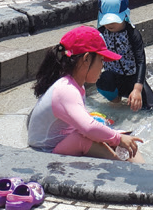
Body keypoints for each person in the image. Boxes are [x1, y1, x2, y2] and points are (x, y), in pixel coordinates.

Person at [27, 26, 144, 161]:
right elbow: (88, 129)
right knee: (88, 138)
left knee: (118, 139)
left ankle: (141, 172)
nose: (103, 66)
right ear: (87, 59)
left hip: (60, 146)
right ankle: (122, 169)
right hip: (43, 155)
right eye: (101, 60)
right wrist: (117, 138)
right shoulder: (66, 89)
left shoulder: (75, 85)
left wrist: (118, 136)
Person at [95, 0, 153, 111]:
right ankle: (116, 101)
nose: (109, 24)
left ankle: (130, 95)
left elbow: (141, 61)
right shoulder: (101, 33)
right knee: (103, 80)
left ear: (125, 14)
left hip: (132, 80)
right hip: (112, 79)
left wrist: (137, 89)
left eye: (115, 19)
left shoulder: (132, 34)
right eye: (106, 20)